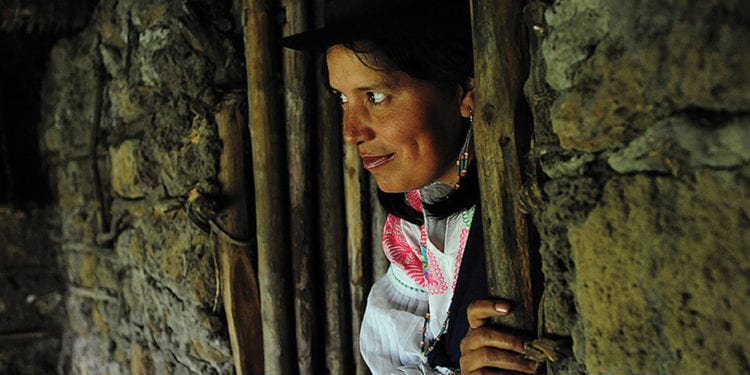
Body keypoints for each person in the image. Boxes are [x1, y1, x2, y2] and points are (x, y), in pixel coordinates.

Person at [283, 0, 538, 373]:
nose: (351, 132)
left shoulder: (531, 210)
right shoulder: (415, 226)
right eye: (342, 99)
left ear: (466, 89)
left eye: (377, 97)